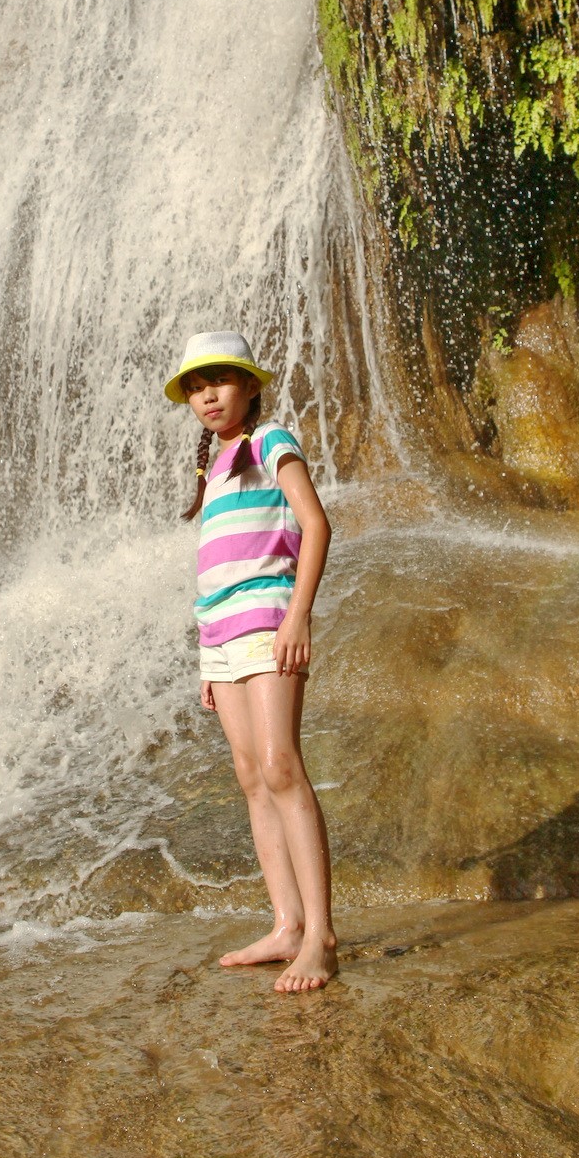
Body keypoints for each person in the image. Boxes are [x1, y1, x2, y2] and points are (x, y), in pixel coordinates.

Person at [164, 331, 336, 994]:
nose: (209, 395)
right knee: (249, 776)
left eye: (222, 381)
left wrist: (298, 614)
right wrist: (207, 662)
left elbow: (314, 525)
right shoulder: (211, 469)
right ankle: (285, 924)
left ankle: (319, 935)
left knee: (280, 765)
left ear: (250, 388)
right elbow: (212, 568)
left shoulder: (271, 443)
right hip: (221, 638)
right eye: (197, 386)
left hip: (269, 621)